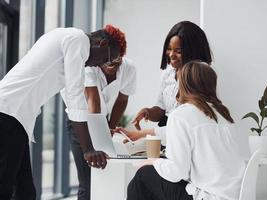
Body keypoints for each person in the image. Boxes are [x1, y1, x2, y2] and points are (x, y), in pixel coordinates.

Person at [0, 24, 125, 200]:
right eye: (107, 59)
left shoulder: (64, 37)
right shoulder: (78, 40)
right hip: (8, 115)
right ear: (102, 44)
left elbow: (69, 97)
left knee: (25, 192)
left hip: (15, 118)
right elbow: (75, 96)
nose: (101, 65)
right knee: (4, 188)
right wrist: (88, 149)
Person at [127, 60, 245, 200]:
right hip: (233, 195)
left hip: (208, 197)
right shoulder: (223, 115)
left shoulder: (181, 114)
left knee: (143, 175)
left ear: (184, 85)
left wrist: (152, 162)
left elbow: (176, 172)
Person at [116, 21, 212, 146]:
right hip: (166, 134)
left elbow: (186, 125)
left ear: (193, 51)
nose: (171, 54)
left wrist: (140, 134)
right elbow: (162, 109)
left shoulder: (200, 76)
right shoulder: (168, 73)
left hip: (182, 138)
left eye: (178, 51)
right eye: (169, 49)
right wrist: (148, 112)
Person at [68, 25, 136, 200]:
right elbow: (93, 101)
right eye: (108, 61)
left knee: (105, 177)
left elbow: (122, 100)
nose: (112, 65)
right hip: (80, 122)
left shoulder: (129, 68)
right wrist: (97, 138)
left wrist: (110, 129)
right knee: (87, 181)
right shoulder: (90, 66)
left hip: (100, 121)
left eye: (116, 61)